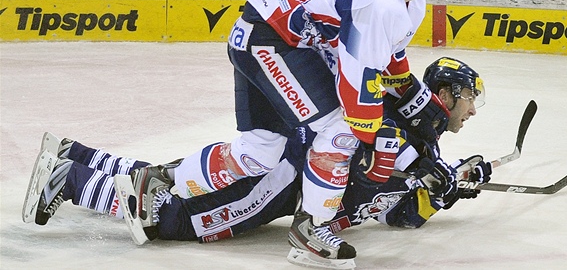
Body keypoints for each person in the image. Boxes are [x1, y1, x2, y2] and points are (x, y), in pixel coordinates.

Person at [23, 57, 490, 269]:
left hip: (292, 184)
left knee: (173, 186)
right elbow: (367, 167)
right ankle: (70, 180)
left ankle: (77, 155)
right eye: (470, 99)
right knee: (175, 218)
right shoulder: (392, 117)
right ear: (445, 95)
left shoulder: (426, 147)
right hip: (286, 175)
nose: (471, 110)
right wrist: (420, 175)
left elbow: (399, 215)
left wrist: (447, 189)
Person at [210, 0, 454, 263]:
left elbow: (390, 55)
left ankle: (160, 182)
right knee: (341, 129)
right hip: (270, 40)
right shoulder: (378, 4)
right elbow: (355, 82)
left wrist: (410, 92)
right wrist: (373, 141)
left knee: (260, 149)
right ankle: (311, 229)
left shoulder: (408, 0)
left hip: (273, 35)